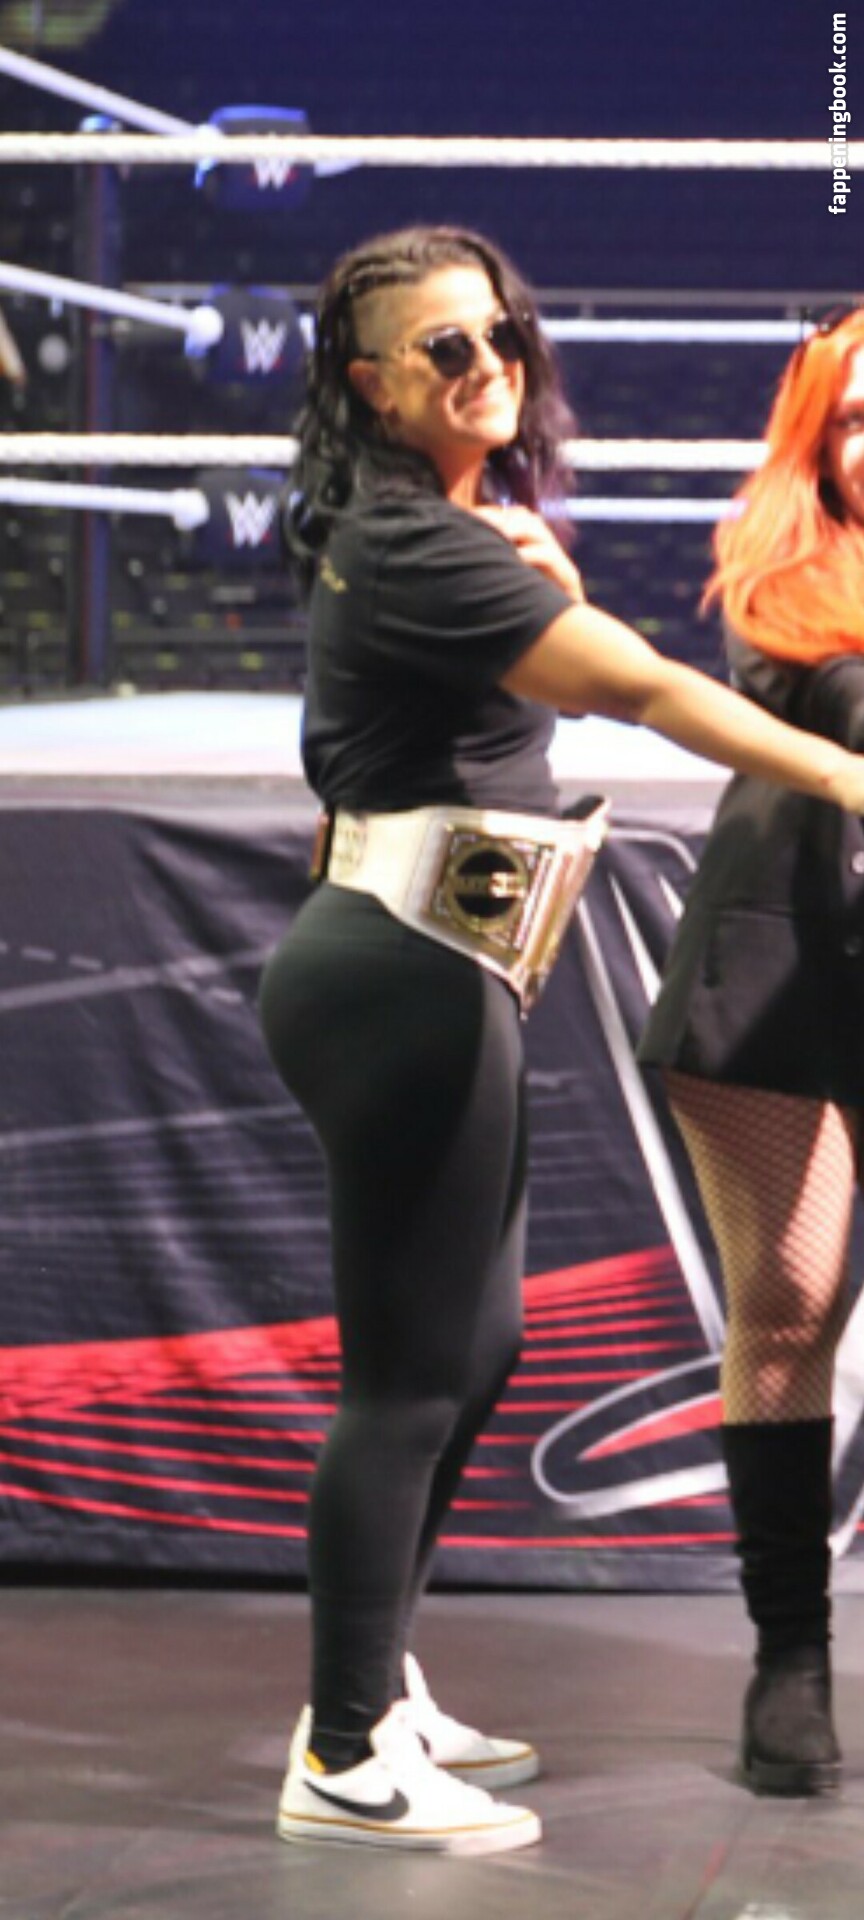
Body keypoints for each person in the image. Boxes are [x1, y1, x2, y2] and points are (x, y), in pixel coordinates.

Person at [259, 232, 864, 1852]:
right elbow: (648, 691)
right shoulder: (414, 544)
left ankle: (376, 1689)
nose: (488, 368)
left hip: (448, 963)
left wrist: (538, 572)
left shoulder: (441, 528)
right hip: (400, 969)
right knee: (409, 1377)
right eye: (444, 350)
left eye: (502, 338)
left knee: (476, 1352)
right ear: (373, 385)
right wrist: (849, 776)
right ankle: (343, 1750)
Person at [639, 304, 864, 1798]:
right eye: (854, 414)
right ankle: (789, 1659)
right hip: (785, 954)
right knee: (786, 1308)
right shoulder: (787, 571)